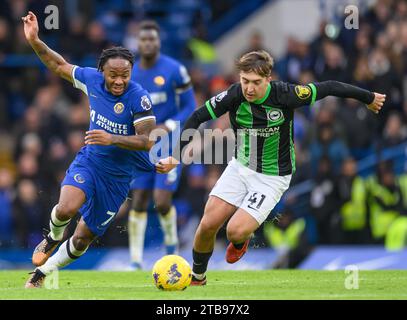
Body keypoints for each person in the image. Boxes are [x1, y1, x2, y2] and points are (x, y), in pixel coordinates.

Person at [156, 50, 385, 285]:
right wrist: (175, 156)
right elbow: (197, 117)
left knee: (234, 231)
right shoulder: (234, 95)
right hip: (240, 167)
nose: (249, 89)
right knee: (207, 224)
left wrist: (368, 98)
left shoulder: (286, 94)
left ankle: (240, 240)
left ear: (269, 79)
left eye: (256, 82)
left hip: (272, 177)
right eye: (245, 81)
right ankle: (198, 277)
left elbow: (328, 87)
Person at [22, 11, 156, 288]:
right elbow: (57, 64)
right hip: (90, 162)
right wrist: (35, 40)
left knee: (83, 238)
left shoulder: (139, 97)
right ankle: (52, 237)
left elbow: (147, 140)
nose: (119, 81)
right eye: (113, 76)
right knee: (66, 209)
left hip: (118, 179)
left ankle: (42, 273)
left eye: (125, 76)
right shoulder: (91, 80)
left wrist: (112, 138)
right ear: (102, 72)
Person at [127, 20, 196, 269]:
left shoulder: (175, 70)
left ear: (159, 41)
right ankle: (135, 260)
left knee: (163, 200)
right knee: (139, 199)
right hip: (141, 145)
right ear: (137, 42)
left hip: (168, 143)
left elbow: (191, 107)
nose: (147, 43)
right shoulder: (130, 73)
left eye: (152, 39)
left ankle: (172, 247)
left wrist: (168, 125)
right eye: (143, 39)